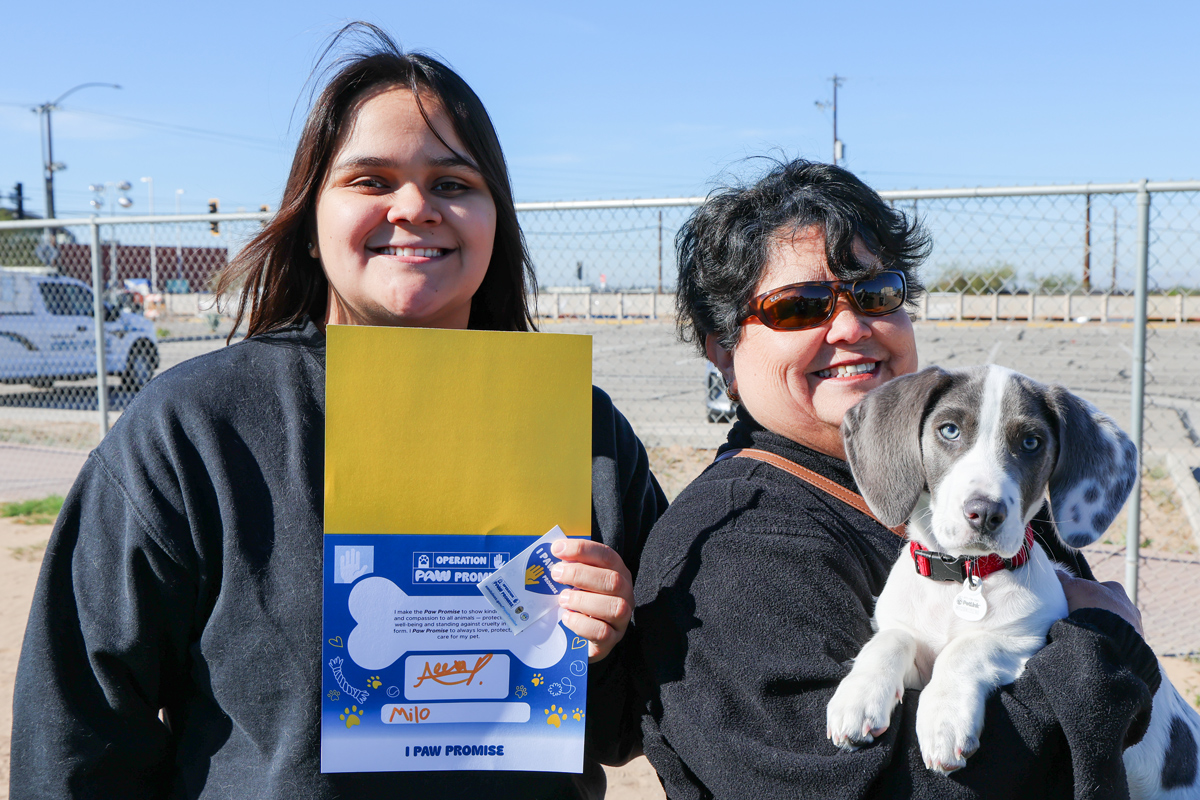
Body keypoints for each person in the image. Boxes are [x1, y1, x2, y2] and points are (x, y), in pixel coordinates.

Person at [11, 24, 664, 800]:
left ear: (497, 221)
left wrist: (617, 636)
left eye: (455, 183)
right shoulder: (195, 427)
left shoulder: (580, 429)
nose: (416, 207)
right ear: (311, 223)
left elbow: (639, 726)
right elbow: (76, 732)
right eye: (373, 180)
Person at [634, 158, 1160, 799]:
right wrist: (1103, 650)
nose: (851, 327)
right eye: (799, 307)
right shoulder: (734, 556)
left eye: (876, 293)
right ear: (723, 351)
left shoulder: (974, 485)